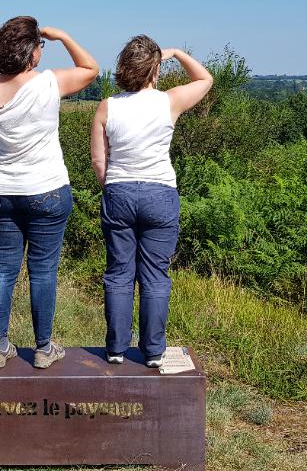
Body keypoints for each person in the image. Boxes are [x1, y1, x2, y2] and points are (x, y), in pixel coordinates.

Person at [0, 16, 98, 369]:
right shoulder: (48, 83)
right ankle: (43, 349)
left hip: (0, 191)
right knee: (43, 271)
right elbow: (91, 68)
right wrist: (64, 34)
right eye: (40, 44)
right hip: (46, 189)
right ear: (32, 52)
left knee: (2, 269)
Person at [89, 35, 213, 367]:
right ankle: (154, 352)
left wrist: (113, 187)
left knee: (119, 273)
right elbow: (205, 79)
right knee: (155, 275)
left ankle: (115, 349)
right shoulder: (169, 101)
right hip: (160, 193)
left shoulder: (107, 106)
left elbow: (99, 162)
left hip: (119, 191)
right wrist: (177, 53)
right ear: (155, 69)